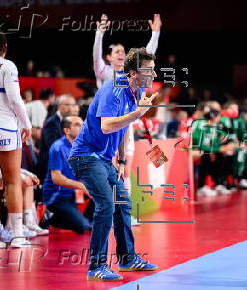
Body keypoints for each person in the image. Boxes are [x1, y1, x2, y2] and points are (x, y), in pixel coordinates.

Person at [68, 48, 159, 281]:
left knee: (123, 203)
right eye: (149, 70)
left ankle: (127, 259)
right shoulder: (113, 89)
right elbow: (108, 126)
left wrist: (122, 158)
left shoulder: (133, 91)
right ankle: (96, 266)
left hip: (105, 159)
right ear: (134, 72)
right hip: (85, 156)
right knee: (106, 203)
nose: (154, 74)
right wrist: (138, 114)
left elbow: (123, 128)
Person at [93, 13, 161, 226]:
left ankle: (125, 214)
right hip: (106, 127)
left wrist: (155, 33)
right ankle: (110, 214)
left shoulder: (133, 76)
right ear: (109, 58)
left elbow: (146, 58)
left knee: (125, 170)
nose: (121, 53)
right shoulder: (104, 73)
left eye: (123, 51)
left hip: (126, 127)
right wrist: (99, 33)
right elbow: (96, 56)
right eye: (117, 51)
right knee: (109, 172)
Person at [0, 28, 32, 250]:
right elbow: (14, 98)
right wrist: (27, 124)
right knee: (12, 180)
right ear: (5, 47)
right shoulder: (8, 65)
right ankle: (18, 234)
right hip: (3, 125)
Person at [42, 116, 90, 233]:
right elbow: (56, 178)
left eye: (83, 124)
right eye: (77, 125)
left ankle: (88, 220)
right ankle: (49, 216)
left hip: (73, 194)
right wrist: (81, 186)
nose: (83, 127)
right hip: (57, 197)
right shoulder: (58, 147)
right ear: (67, 130)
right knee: (82, 227)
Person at [37, 94, 77, 182]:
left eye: (73, 105)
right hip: (50, 168)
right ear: (59, 106)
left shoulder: (69, 121)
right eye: (67, 105)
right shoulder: (52, 123)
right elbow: (53, 147)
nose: (71, 108)